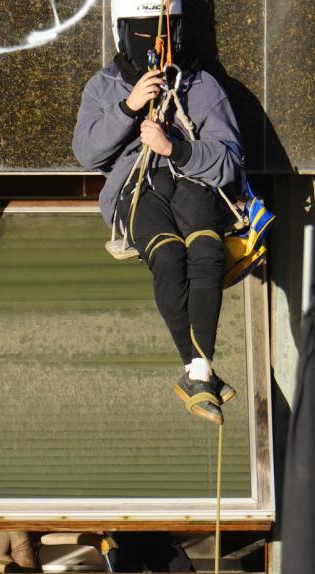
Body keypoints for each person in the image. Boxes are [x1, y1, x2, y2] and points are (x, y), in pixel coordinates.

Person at [72, 0, 245, 424]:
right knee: (168, 257)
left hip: (190, 180)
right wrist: (128, 108)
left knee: (206, 252)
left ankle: (199, 372)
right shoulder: (103, 86)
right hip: (136, 188)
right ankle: (196, 366)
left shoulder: (202, 86)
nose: (158, 46)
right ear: (123, 34)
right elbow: (87, 153)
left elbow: (229, 161)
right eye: (147, 34)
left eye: (167, 35)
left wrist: (177, 148)